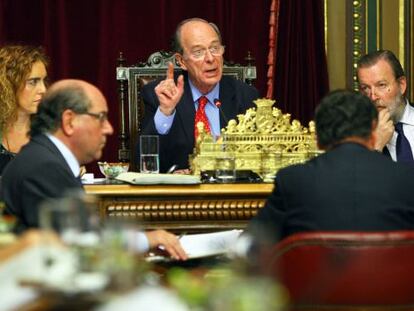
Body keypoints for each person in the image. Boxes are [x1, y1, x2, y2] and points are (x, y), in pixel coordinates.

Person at [1, 79, 187, 260]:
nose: (109, 129)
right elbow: (80, 245)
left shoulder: (46, 157)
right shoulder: (44, 167)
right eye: (101, 118)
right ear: (69, 121)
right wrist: (148, 239)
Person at [248, 90, 414, 244]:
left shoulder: (293, 181)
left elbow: (250, 247)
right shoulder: (406, 180)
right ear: (373, 133)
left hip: (313, 276)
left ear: (318, 139)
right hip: (389, 276)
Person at [139, 17, 259, 173]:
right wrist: (165, 112)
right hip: (180, 195)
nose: (210, 58)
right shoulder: (161, 95)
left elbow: (258, 158)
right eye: (198, 52)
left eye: (215, 48)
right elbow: (144, 165)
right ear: (181, 61)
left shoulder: (245, 96)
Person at [357, 49, 413, 163]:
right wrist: (376, 145)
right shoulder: (351, 134)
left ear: (401, 85)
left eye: (381, 85)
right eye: (365, 88)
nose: (372, 97)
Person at [0, 45, 48, 174]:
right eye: (33, 82)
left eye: (44, 81)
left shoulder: (51, 133)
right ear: (9, 85)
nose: (43, 90)